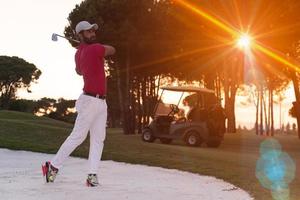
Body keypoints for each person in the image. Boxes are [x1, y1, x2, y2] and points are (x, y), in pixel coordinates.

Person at [42, 21, 116, 187]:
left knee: (98, 139)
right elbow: (112, 49)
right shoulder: (95, 48)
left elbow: (79, 71)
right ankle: (52, 167)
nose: (92, 33)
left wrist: (83, 50)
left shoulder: (79, 53)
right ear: (80, 35)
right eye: (88, 32)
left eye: (92, 31)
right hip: (90, 101)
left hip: (100, 101)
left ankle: (92, 175)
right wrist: (91, 48)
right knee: (78, 136)